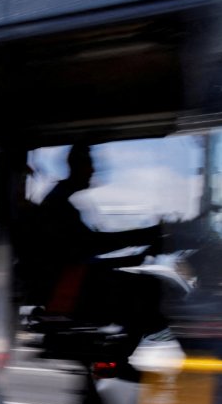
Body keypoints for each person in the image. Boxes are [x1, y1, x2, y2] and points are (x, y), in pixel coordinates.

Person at [33, 143, 167, 341]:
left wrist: (137, 251)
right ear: (77, 167)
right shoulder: (59, 204)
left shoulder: (62, 201)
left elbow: (89, 248)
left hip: (71, 282)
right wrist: (144, 237)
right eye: (90, 165)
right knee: (148, 289)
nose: (94, 171)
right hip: (68, 289)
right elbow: (88, 247)